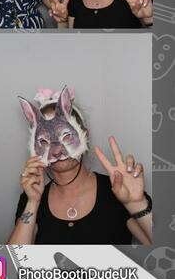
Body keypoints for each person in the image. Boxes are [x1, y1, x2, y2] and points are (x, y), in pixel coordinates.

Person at [8, 87, 152, 245]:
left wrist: (136, 203)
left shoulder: (119, 189)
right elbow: (14, 258)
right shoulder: (32, 197)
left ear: (85, 136)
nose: (56, 151)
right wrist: (32, 202)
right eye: (44, 141)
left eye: (66, 136)